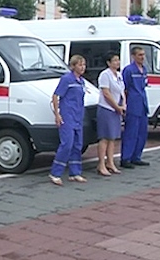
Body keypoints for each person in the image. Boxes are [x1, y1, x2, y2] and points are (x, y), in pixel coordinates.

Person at [48, 55, 88, 185]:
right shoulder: (66, 79)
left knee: (77, 145)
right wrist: (57, 115)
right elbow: (55, 96)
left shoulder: (81, 81)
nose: (82, 67)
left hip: (78, 116)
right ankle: (55, 172)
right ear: (73, 66)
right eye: (80, 65)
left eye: (84, 65)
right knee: (67, 144)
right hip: (67, 116)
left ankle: (75, 172)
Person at [95, 51, 125, 176]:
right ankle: (101, 164)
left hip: (116, 109)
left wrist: (123, 105)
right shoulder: (105, 75)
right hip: (107, 109)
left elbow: (122, 91)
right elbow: (106, 93)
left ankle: (110, 162)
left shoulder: (118, 75)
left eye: (118, 60)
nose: (117, 62)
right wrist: (116, 106)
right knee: (105, 138)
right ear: (108, 62)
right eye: (114, 60)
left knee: (112, 137)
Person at [121, 46, 150, 168]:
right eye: (140, 55)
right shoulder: (129, 70)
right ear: (133, 56)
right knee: (131, 132)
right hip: (133, 104)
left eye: (143, 55)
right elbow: (125, 88)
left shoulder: (144, 69)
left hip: (142, 103)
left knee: (142, 132)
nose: (142, 57)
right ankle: (126, 158)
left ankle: (136, 156)